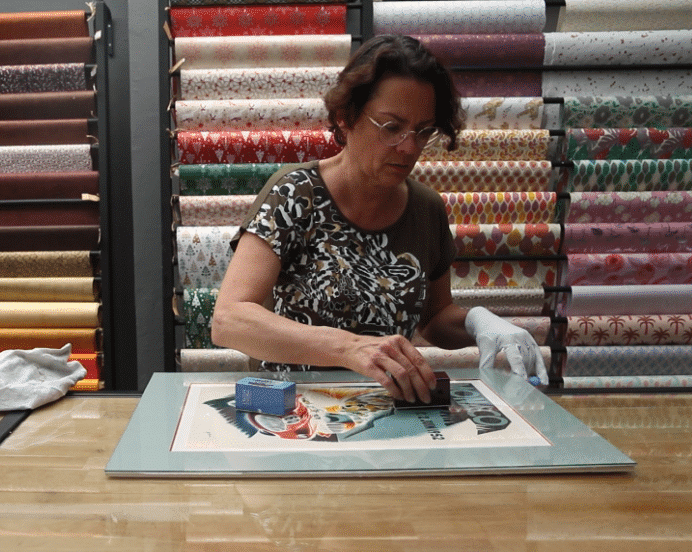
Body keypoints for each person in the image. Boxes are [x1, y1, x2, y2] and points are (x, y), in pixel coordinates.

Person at [210, 35, 547, 403]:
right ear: (346, 116)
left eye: (423, 131)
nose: (409, 147)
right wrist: (349, 348)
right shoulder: (295, 194)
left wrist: (477, 321)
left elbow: (434, 319)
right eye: (391, 127)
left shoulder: (426, 209)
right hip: (294, 410)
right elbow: (230, 320)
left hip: (387, 410)